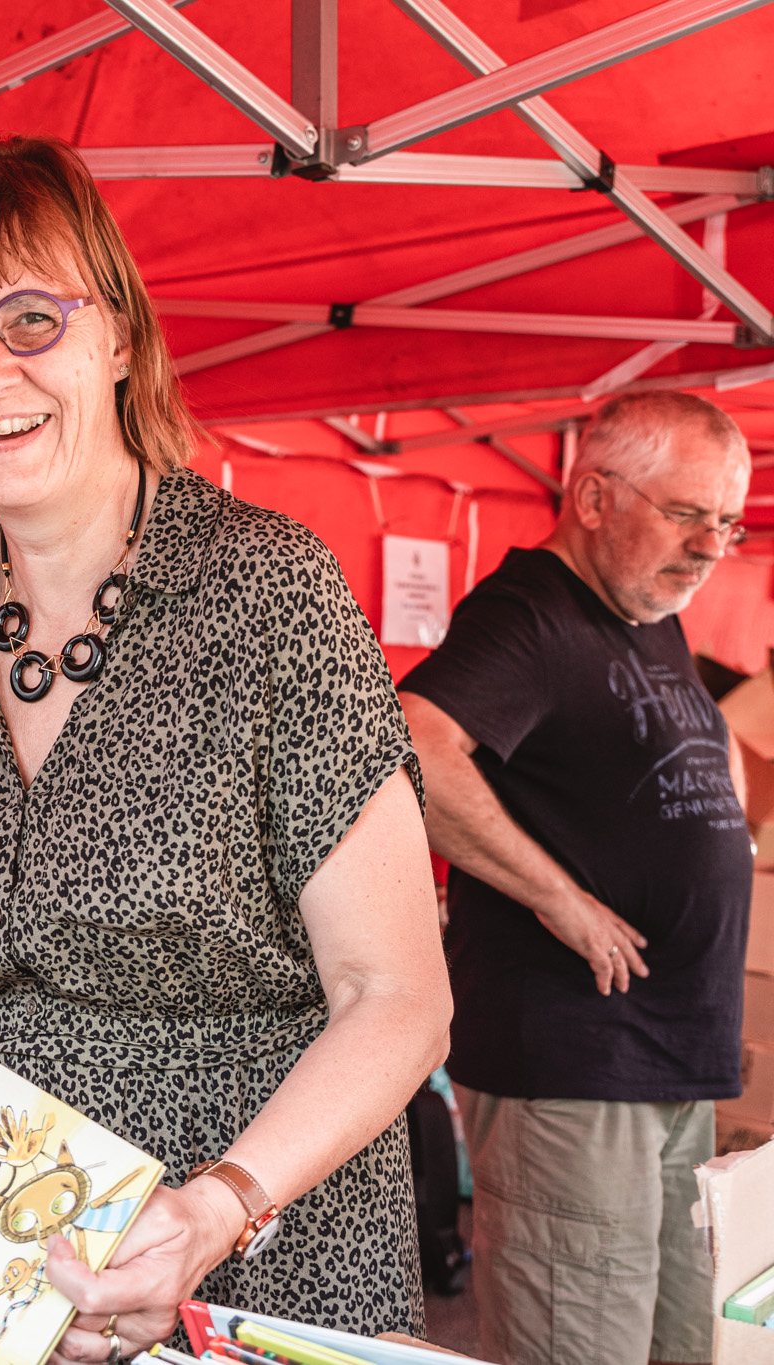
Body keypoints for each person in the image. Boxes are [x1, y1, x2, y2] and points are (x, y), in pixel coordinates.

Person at [0, 135, 452, 1358]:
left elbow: (394, 999)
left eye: (31, 320)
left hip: (247, 1270)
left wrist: (216, 1208)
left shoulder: (265, 594)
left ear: (118, 336)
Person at [398, 391, 753, 1365]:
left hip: (668, 1059)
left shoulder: (649, 610)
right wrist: (558, 897)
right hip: (574, 1059)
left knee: (678, 1342)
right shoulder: (531, 609)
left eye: (725, 522)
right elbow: (410, 751)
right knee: (577, 1344)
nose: (709, 546)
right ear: (592, 496)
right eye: (686, 514)